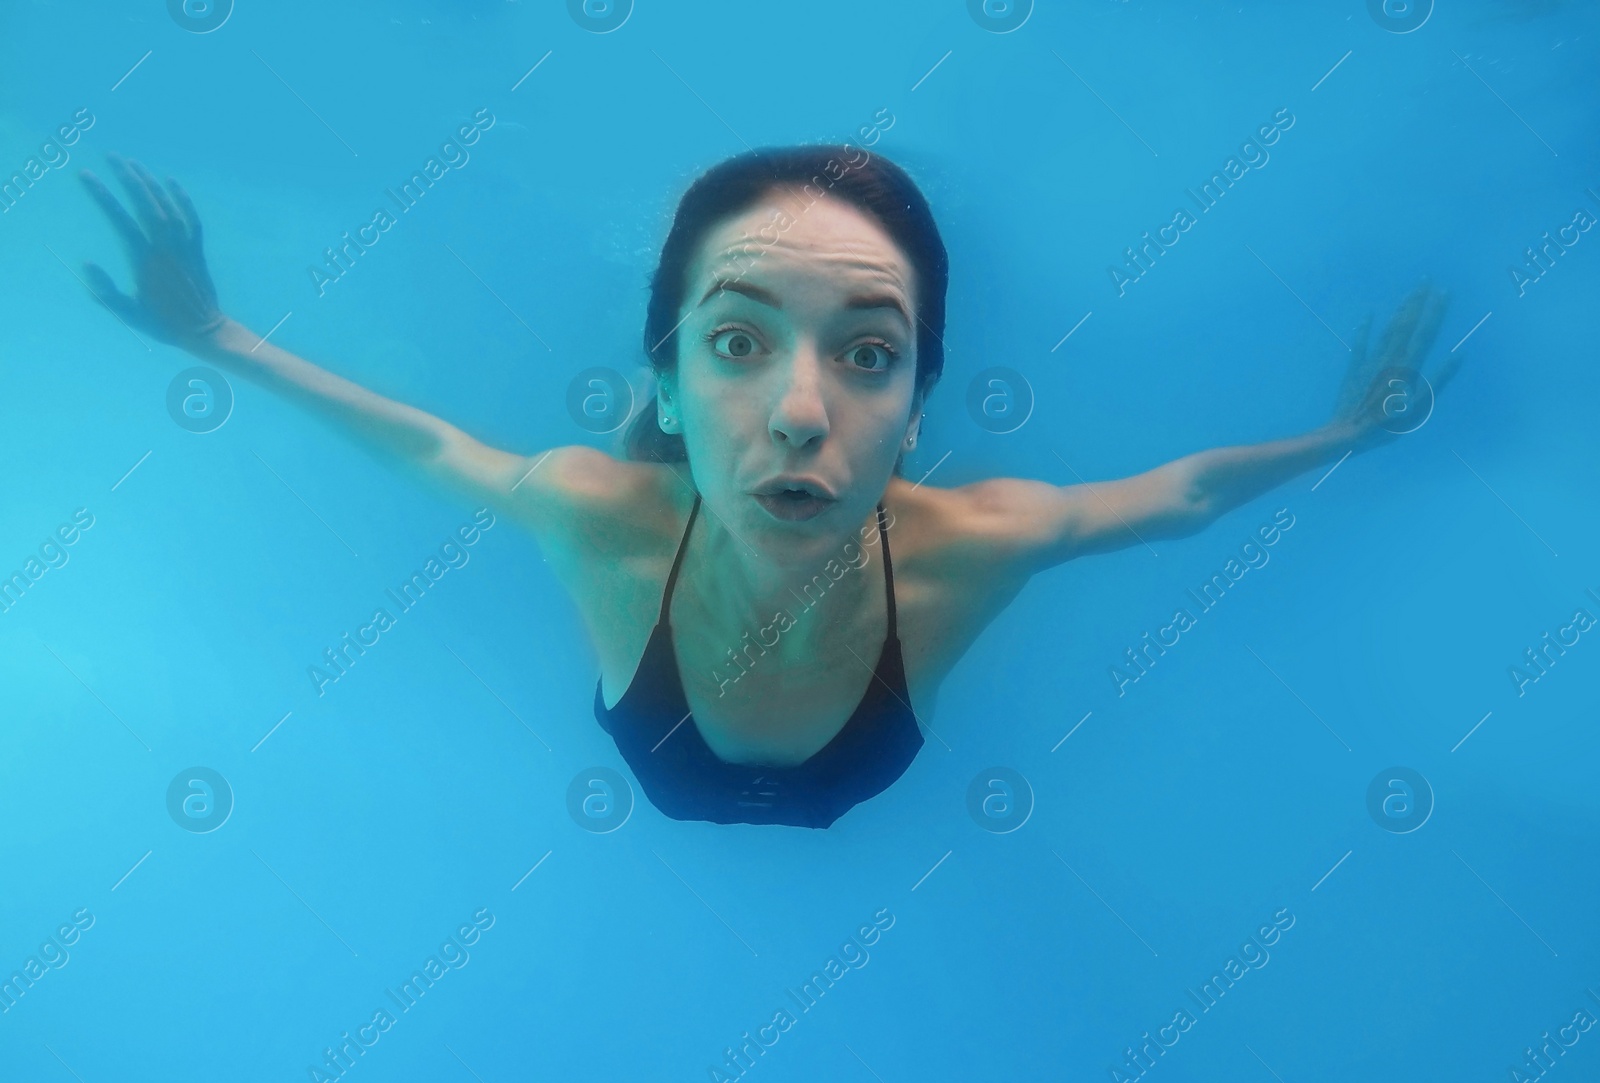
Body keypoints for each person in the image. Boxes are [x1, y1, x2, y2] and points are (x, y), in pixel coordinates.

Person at [76, 147, 1459, 829]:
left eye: (869, 354)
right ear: (670, 386)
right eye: (737, 345)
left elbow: (1186, 494)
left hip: (845, 756)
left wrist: (1349, 433)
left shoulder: (975, 546)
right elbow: (437, 450)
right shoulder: (599, 516)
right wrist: (217, 339)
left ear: (919, 412)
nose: (803, 412)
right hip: (665, 734)